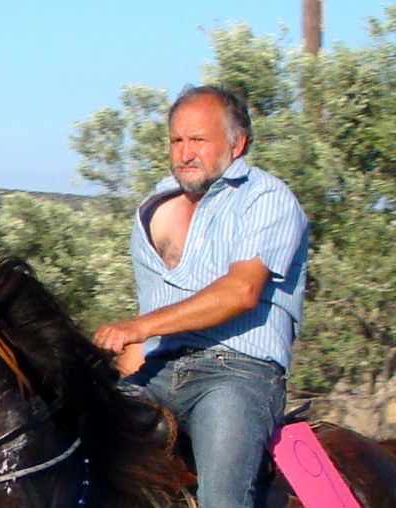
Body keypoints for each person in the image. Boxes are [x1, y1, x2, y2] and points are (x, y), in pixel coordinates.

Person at [93, 84, 308, 508]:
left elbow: (241, 291)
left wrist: (138, 328)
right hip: (158, 370)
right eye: (177, 140)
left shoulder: (266, 198)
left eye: (198, 141)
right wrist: (126, 359)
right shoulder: (155, 203)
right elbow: (155, 302)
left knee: (223, 501)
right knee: (75, 454)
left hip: (237, 374)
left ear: (237, 143)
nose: (185, 152)